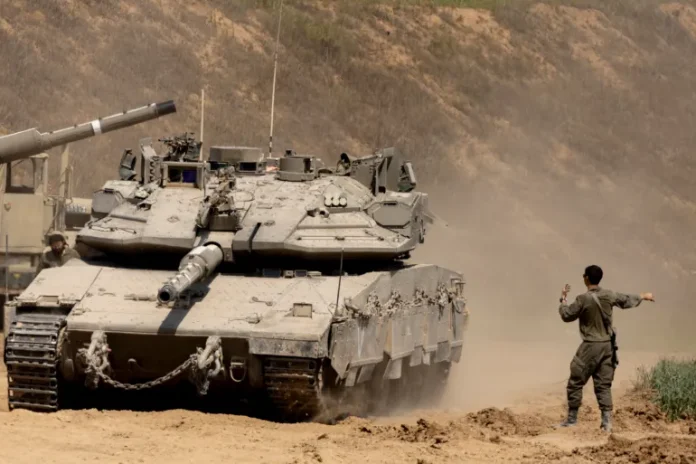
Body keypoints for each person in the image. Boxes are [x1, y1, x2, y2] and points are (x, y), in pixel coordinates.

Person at [557, 264, 655, 432]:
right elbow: (626, 299)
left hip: (590, 346)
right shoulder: (608, 295)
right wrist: (643, 296)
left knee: (575, 381)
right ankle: (606, 423)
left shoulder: (582, 299)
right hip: (607, 346)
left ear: (586, 278)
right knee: (603, 385)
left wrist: (563, 300)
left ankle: (572, 420)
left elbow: (567, 315)